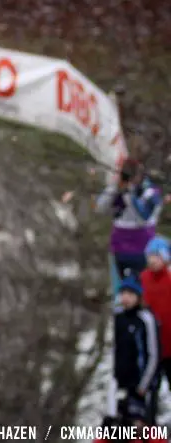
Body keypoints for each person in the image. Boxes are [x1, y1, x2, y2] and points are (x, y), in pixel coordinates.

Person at [99, 158, 164, 281]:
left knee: (144, 288)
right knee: (122, 292)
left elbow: (142, 218)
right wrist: (114, 187)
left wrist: (129, 195)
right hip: (119, 247)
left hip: (143, 249)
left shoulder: (151, 192)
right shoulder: (118, 190)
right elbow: (101, 208)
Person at [114, 276, 161, 427]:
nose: (125, 298)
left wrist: (143, 385)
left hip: (141, 386)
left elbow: (153, 354)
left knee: (143, 430)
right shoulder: (118, 317)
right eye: (123, 293)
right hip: (121, 385)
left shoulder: (145, 318)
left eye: (130, 294)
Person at [142, 236, 171, 410]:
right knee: (150, 392)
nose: (152, 260)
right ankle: (149, 432)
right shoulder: (143, 278)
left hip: (170, 345)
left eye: (157, 256)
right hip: (152, 348)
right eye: (150, 256)